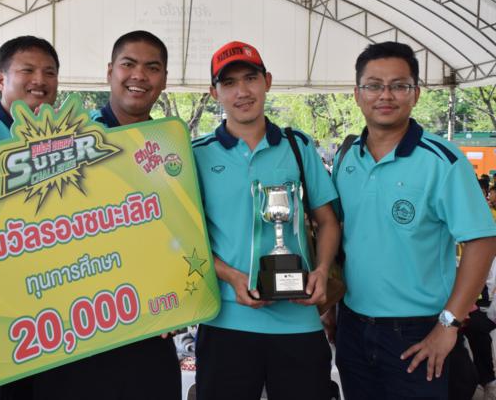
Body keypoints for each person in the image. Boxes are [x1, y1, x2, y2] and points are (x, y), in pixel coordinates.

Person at [333, 41, 496, 399]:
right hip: (353, 326)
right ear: (357, 94)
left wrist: (449, 324)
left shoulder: (443, 160)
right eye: (373, 85)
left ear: (416, 94)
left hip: (418, 332)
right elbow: (342, 236)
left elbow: (482, 241)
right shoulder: (346, 160)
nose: (385, 95)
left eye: (399, 85)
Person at [31, 30, 181, 400]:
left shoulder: (172, 145)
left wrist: (181, 300)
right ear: (110, 71)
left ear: (164, 79)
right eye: (129, 64)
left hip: (150, 327)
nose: (139, 75)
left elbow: (180, 233)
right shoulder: (67, 138)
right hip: (76, 330)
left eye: (152, 67)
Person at [192, 41, 341, 400]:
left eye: (250, 78)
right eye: (229, 83)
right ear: (214, 92)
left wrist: (322, 271)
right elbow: (187, 239)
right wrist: (231, 276)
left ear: (267, 81)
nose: (242, 91)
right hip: (225, 320)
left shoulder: (298, 146)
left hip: (299, 322)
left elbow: (328, 221)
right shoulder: (196, 155)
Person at [0, 35, 59, 152]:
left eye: (49, 73)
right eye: (27, 70)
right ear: (0, 81)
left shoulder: (70, 130)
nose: (40, 81)